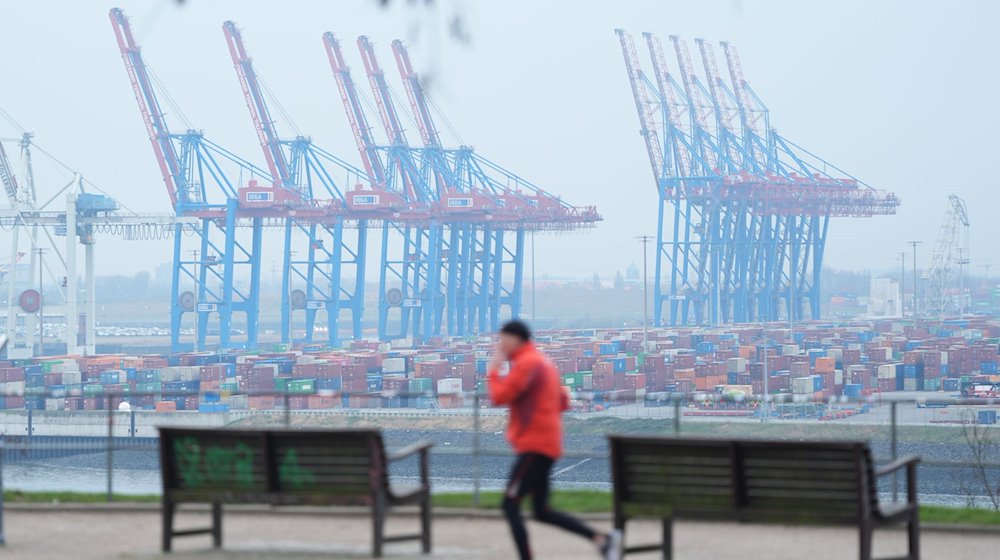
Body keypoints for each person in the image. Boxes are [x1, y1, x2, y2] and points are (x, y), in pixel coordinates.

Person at [488, 320, 621, 560]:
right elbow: (564, 401)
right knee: (541, 510)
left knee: (510, 504)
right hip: (548, 444)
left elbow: (499, 396)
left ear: (515, 339)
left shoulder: (526, 363)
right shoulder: (544, 362)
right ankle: (602, 540)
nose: (500, 344)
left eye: (502, 339)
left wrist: (494, 369)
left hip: (534, 446)